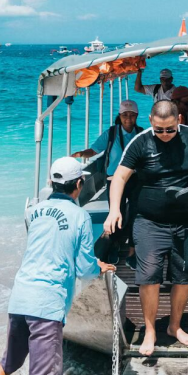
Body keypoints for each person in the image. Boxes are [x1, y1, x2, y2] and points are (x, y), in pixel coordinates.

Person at [0, 157, 116, 375]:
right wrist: (99, 267)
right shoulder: (80, 216)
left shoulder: (33, 211)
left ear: (52, 183)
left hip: (20, 299)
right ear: (79, 184)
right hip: (46, 305)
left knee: (8, 363)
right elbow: (85, 268)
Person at [104, 101, 188, 356]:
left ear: (179, 119)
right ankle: (150, 331)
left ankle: (175, 326)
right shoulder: (140, 142)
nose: (164, 135)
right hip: (148, 220)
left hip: (185, 219)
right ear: (151, 120)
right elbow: (119, 177)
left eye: (170, 130)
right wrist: (114, 209)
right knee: (148, 277)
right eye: (159, 129)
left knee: (184, 277)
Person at [72, 100, 143, 269]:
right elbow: (95, 150)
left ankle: (132, 252)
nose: (128, 119)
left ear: (136, 116)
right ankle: (115, 246)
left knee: (135, 215)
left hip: (135, 179)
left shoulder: (141, 134)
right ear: (120, 116)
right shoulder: (111, 134)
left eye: (132, 115)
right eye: (125, 115)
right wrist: (80, 154)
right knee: (115, 213)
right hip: (113, 180)